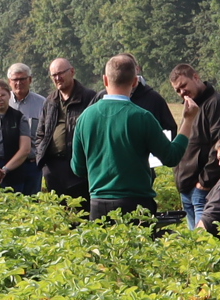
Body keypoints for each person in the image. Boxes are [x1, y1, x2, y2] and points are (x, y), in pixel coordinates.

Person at [71, 54, 182, 219]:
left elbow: (78, 168)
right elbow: (171, 157)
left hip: (98, 203)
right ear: (135, 82)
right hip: (137, 202)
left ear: (105, 80)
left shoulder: (85, 117)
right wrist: (187, 123)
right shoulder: (142, 116)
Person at [170, 66, 220, 230]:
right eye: (177, 90)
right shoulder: (191, 107)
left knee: (203, 245)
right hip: (188, 190)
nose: (181, 92)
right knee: (195, 247)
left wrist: (204, 183)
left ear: (196, 77)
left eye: (183, 85)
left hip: (203, 191)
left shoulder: (216, 104)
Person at [42, 57, 97, 203]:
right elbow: (41, 133)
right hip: (54, 169)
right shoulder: (50, 101)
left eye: (61, 73)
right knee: (59, 214)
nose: (58, 78)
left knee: (82, 212)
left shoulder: (89, 98)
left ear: (72, 72)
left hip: (79, 168)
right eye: (54, 75)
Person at [3, 65, 49, 196]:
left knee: (32, 206)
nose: (18, 83)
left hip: (32, 165)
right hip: (8, 165)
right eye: (15, 80)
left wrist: (40, 157)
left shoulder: (42, 103)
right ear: (9, 81)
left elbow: (47, 134)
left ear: (30, 80)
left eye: (23, 79)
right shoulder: (2, 101)